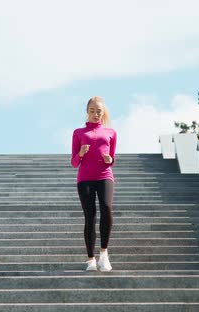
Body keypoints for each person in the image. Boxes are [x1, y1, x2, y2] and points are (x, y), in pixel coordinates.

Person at [70, 96, 117, 272]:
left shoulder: (111, 132)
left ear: (103, 112)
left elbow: (111, 159)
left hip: (105, 175)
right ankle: (91, 259)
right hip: (85, 179)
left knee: (106, 207)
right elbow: (74, 162)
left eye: (99, 111)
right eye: (92, 111)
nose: (96, 114)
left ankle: (104, 254)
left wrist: (110, 159)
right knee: (90, 217)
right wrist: (81, 153)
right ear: (87, 112)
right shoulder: (78, 133)